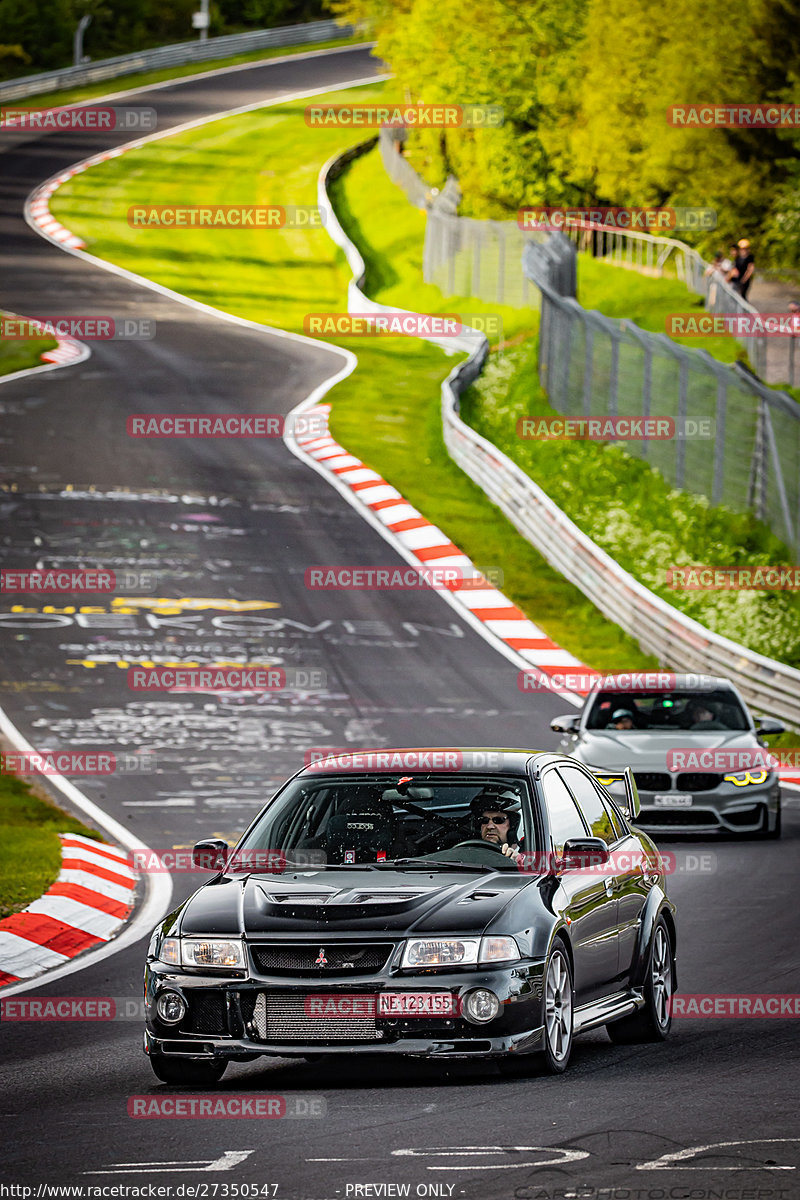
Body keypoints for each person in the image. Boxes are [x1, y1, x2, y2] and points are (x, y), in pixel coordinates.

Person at [469, 790, 523, 862]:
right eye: (484, 820)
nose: (489, 826)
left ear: (514, 825)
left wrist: (517, 864)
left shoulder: (528, 857)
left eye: (498, 820)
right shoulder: (469, 853)